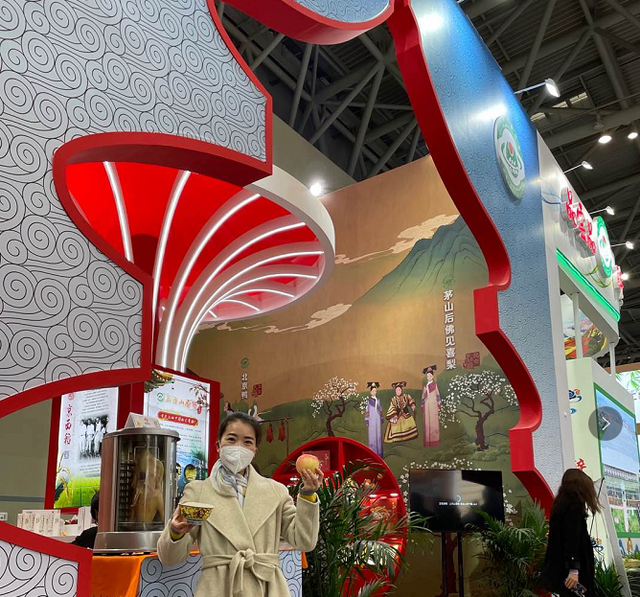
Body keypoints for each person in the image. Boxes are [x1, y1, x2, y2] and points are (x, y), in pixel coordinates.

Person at [157, 412, 321, 597]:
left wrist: (307, 495)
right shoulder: (198, 492)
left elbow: (304, 541)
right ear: (218, 445)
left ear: (255, 451)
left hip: (266, 587)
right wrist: (175, 532)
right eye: (231, 439)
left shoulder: (276, 492)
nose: (239, 447)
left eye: (247, 442)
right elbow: (169, 558)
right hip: (218, 588)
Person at [541, 469, 600, 597]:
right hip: (573, 572)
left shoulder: (559, 505)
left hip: (561, 569)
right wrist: (574, 568)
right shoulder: (574, 505)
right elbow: (571, 539)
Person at [421, 365, 441, 447]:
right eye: (427, 376)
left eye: (430, 376)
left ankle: (435, 440)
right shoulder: (425, 386)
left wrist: (439, 404)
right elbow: (423, 397)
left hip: (433, 406)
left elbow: (438, 395)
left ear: (432, 376)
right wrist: (422, 405)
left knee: (433, 422)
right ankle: (428, 441)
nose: (429, 377)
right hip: (427, 406)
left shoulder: (435, 385)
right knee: (427, 423)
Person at [365, 382, 384, 457]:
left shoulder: (378, 400)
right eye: (373, 391)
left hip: (377, 420)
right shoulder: (369, 401)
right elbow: (367, 411)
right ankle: (372, 453)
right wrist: (367, 420)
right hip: (371, 420)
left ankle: (379, 453)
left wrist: (381, 418)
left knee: (378, 435)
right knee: (372, 435)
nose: (374, 392)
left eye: (375, 391)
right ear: (370, 392)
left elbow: (380, 410)